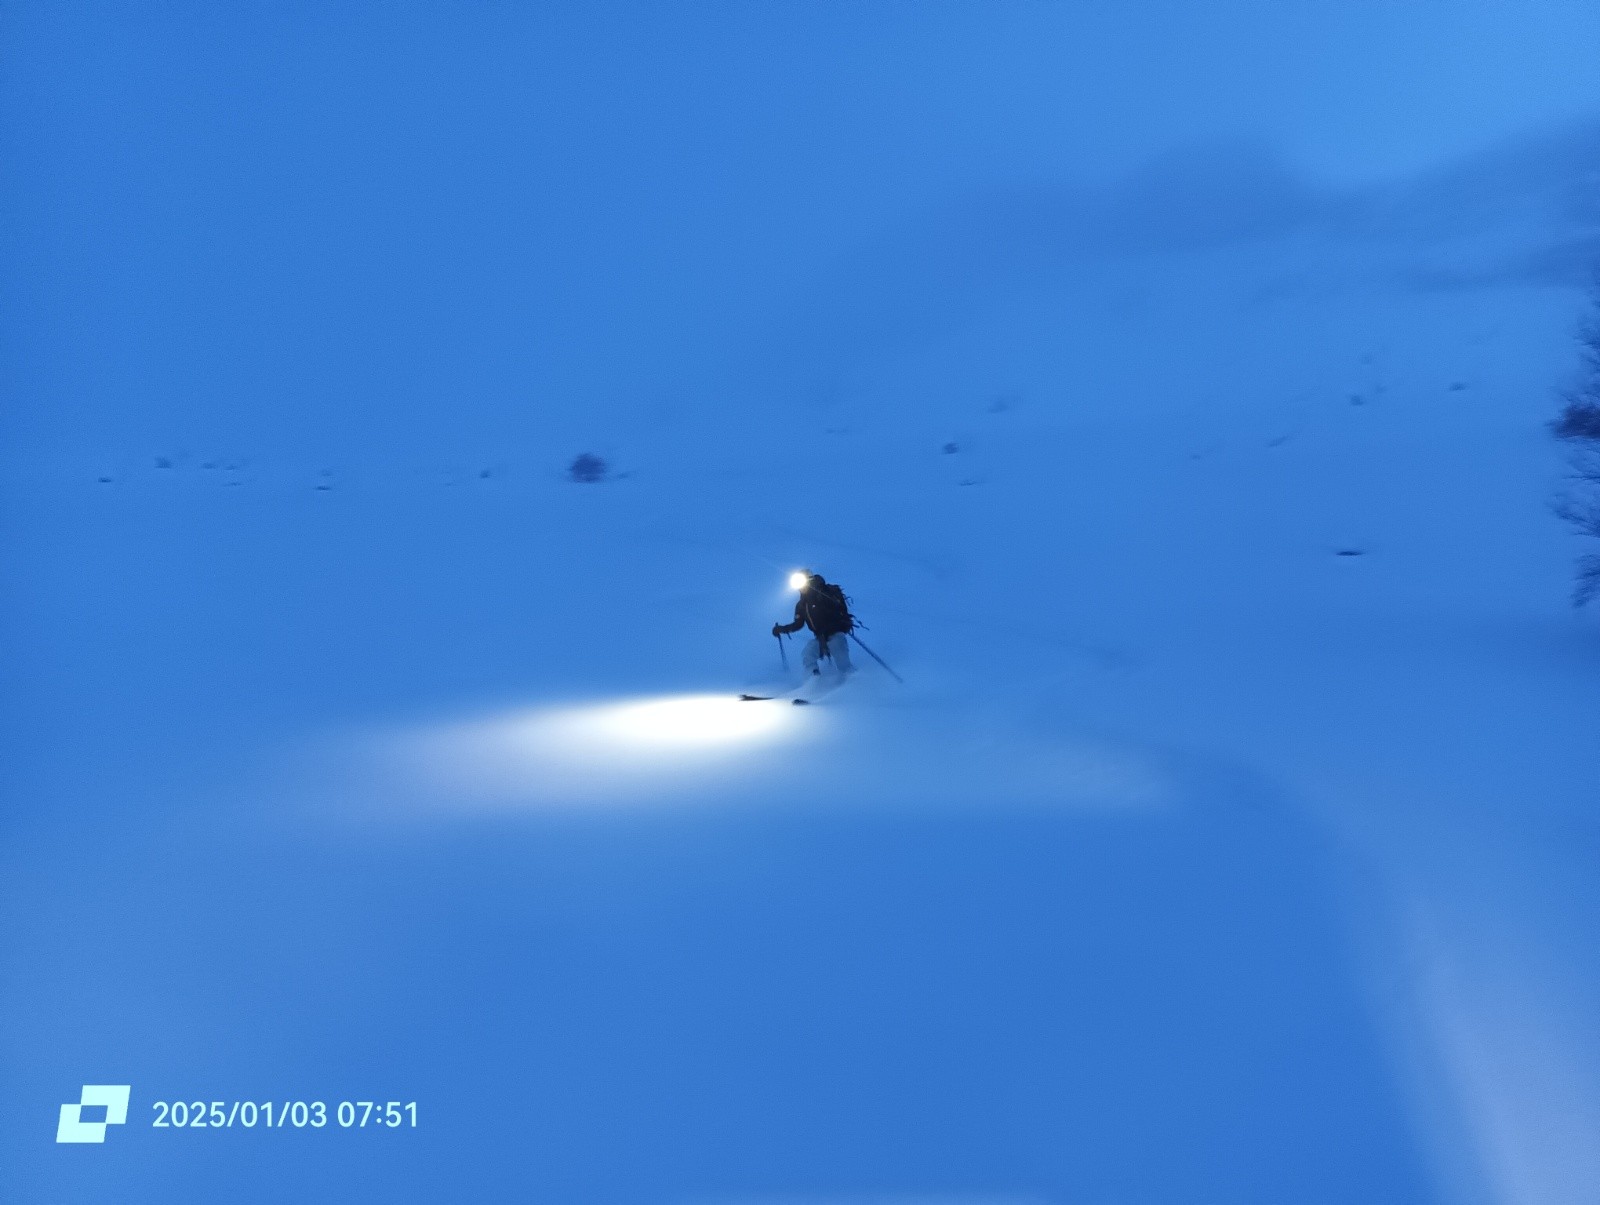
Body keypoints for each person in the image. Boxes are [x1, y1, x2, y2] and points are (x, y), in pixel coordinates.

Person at [773, 572, 855, 676]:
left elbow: (837, 609)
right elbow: (798, 624)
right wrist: (781, 629)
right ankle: (815, 681)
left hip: (835, 633)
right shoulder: (802, 605)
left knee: (843, 663)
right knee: (808, 654)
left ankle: (854, 681)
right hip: (820, 638)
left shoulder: (823, 593)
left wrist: (838, 621)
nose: (800, 587)